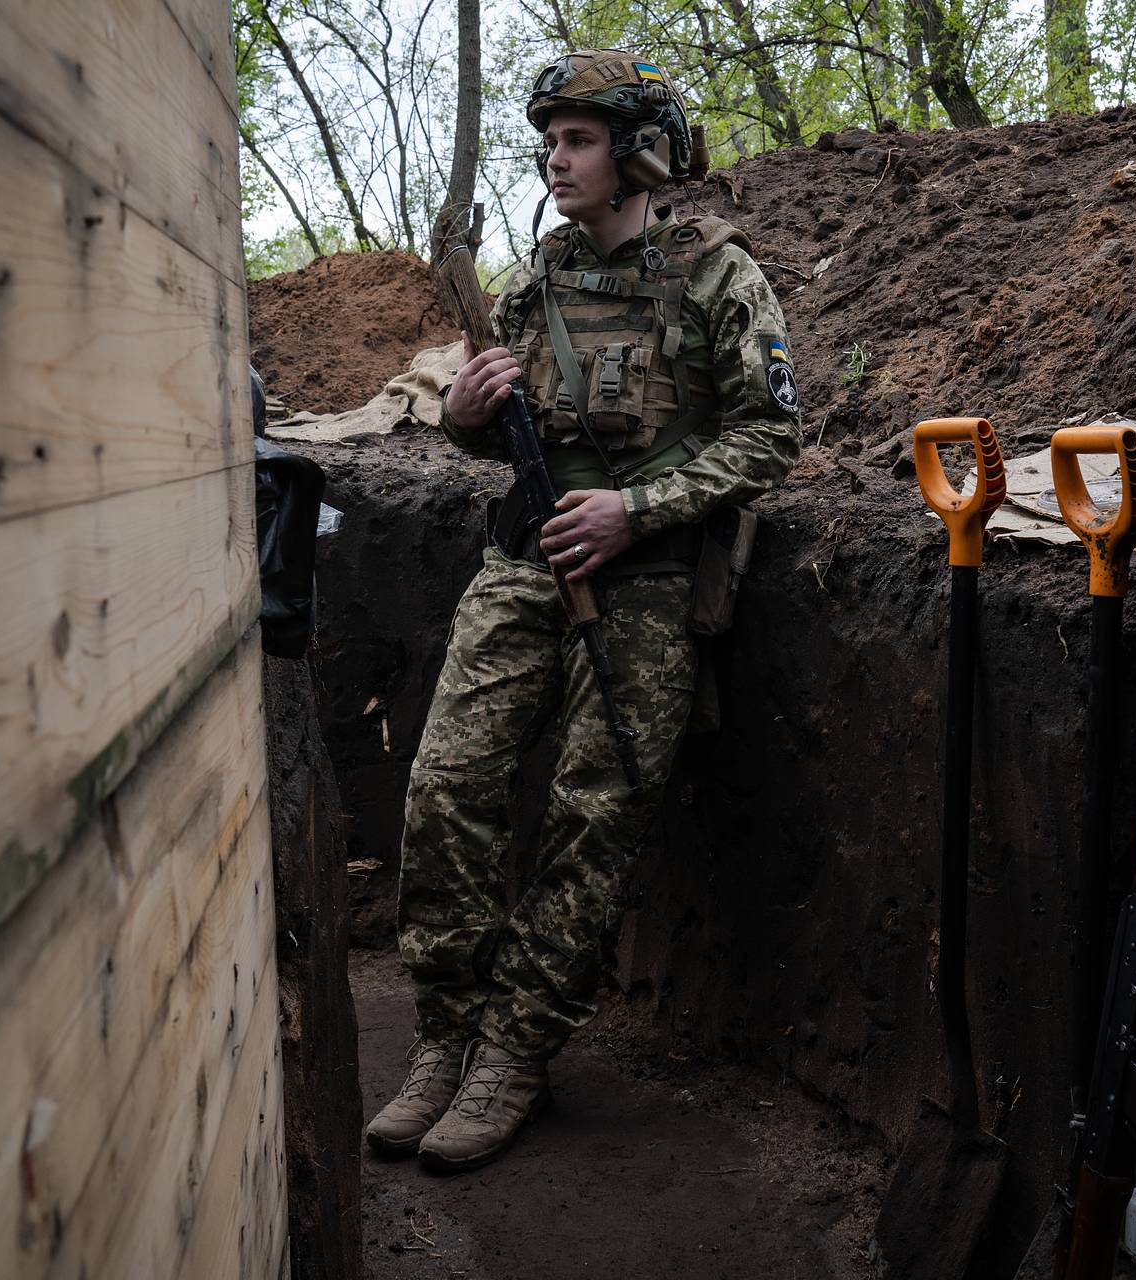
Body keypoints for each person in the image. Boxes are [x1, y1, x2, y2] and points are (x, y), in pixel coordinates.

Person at [365, 49, 803, 1172]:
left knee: (592, 817)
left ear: (641, 151)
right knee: (445, 785)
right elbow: (500, 432)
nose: (554, 160)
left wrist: (639, 506)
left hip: (647, 581)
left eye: (577, 139)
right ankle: (446, 1031)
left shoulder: (719, 278)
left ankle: (514, 1047)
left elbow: (768, 436)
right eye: (548, 141)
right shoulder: (534, 279)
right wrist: (464, 413)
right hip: (523, 560)